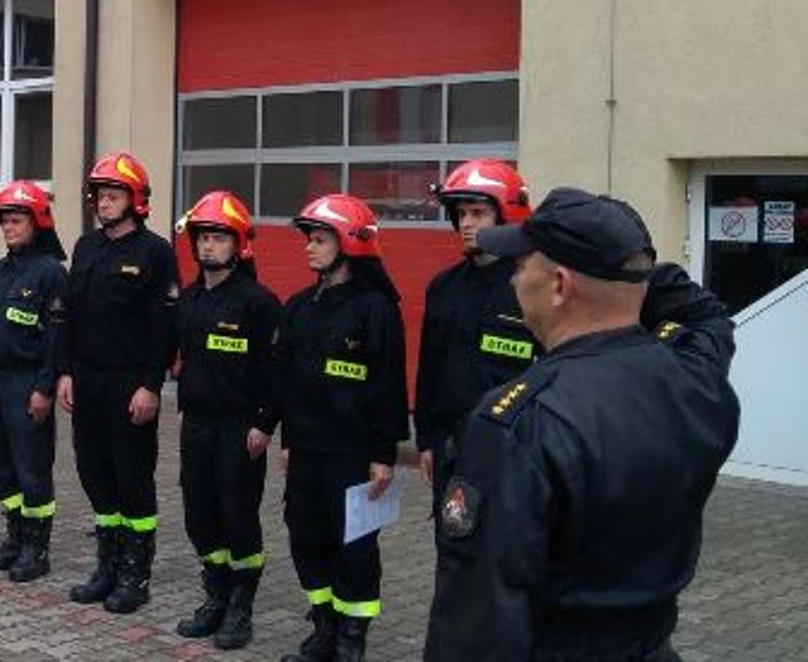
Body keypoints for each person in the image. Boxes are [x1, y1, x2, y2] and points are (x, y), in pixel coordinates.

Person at [426, 189, 740, 662]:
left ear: (558, 285)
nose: (513, 280)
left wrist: (626, 272)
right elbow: (707, 317)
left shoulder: (518, 422)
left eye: (519, 266)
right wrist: (629, 272)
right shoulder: (697, 381)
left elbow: (480, 623)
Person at [271, 194, 409, 662]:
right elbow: (287, 381)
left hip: (355, 453)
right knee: (306, 536)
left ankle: (352, 638)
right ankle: (325, 627)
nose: (309, 247)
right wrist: (287, 440)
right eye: (308, 238)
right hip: (307, 449)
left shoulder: (376, 310)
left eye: (319, 238)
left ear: (349, 242)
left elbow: (389, 383)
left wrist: (384, 453)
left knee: (355, 547)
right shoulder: (298, 308)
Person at [53, 152, 178, 613]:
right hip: (87, 381)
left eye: (112, 195)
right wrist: (64, 371)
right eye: (99, 196)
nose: (102, 203)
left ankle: (135, 573)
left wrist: (151, 384)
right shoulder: (86, 248)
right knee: (94, 473)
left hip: (131, 385)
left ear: (135, 199)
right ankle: (107, 565)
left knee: (132, 477)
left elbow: (165, 327)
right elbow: (67, 317)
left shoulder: (155, 253)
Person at [167, 190, 282, 649]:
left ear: (239, 245)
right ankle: (215, 594)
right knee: (200, 516)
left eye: (218, 238)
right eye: (203, 238)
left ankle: (241, 606)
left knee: (238, 517)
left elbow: (275, 372)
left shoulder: (259, 303)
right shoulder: (190, 300)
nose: (209, 246)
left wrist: (264, 424)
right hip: (197, 425)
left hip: (240, 429)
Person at [416, 159, 539, 520]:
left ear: (506, 215)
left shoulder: (532, 286)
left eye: (478, 213)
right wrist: (426, 440)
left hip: (512, 448)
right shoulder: (443, 287)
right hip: (450, 447)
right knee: (452, 549)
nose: (466, 223)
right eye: (461, 213)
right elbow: (429, 369)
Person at [0, 180, 68, 584]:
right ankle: (15, 537)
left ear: (37, 222)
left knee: (32, 470)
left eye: (16, 221)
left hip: (28, 384)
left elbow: (57, 337)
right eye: (5, 221)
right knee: (1, 467)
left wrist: (44, 388)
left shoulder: (50, 273)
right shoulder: (0, 269)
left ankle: (36, 548)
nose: (8, 228)